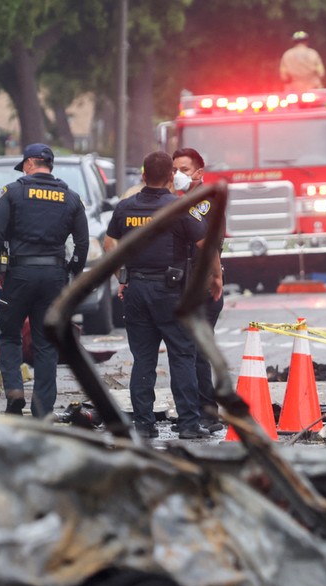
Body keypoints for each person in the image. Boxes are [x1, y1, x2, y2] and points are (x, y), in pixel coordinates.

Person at [107, 151, 216, 440]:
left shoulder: (125, 207)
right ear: (171, 176)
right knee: (182, 355)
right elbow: (206, 244)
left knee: (143, 358)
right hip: (171, 292)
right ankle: (189, 423)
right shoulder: (181, 207)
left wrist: (122, 277)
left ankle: (144, 424)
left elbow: (109, 244)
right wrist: (215, 277)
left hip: (136, 289)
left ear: (143, 176)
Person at [0, 143, 89, 418]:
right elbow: (82, 243)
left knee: (10, 335)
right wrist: (72, 272)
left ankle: (14, 393)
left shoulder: (12, 192)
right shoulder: (71, 198)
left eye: (24, 165)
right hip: (54, 277)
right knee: (46, 342)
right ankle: (42, 408)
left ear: (30, 163)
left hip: (19, 274)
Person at [172, 146, 226, 433]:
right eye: (174, 170)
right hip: (183, 284)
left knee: (197, 350)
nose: (177, 175)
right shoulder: (177, 199)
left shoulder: (205, 201)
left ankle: (207, 413)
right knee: (187, 350)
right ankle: (193, 412)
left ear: (199, 173)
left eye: (184, 170)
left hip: (203, 284)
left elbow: (208, 243)